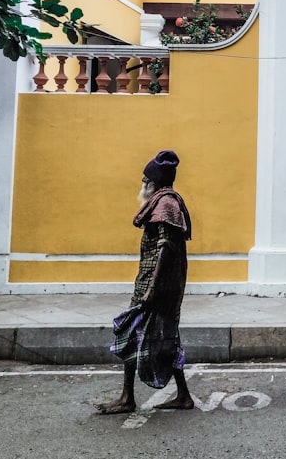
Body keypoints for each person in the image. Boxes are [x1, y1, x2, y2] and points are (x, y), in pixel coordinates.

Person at [95, 150, 194, 414]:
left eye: (144, 180)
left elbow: (165, 248)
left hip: (156, 287)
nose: (141, 185)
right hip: (156, 285)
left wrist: (151, 289)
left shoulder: (165, 205)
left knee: (130, 334)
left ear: (153, 183)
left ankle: (128, 397)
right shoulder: (163, 203)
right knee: (166, 339)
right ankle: (182, 395)